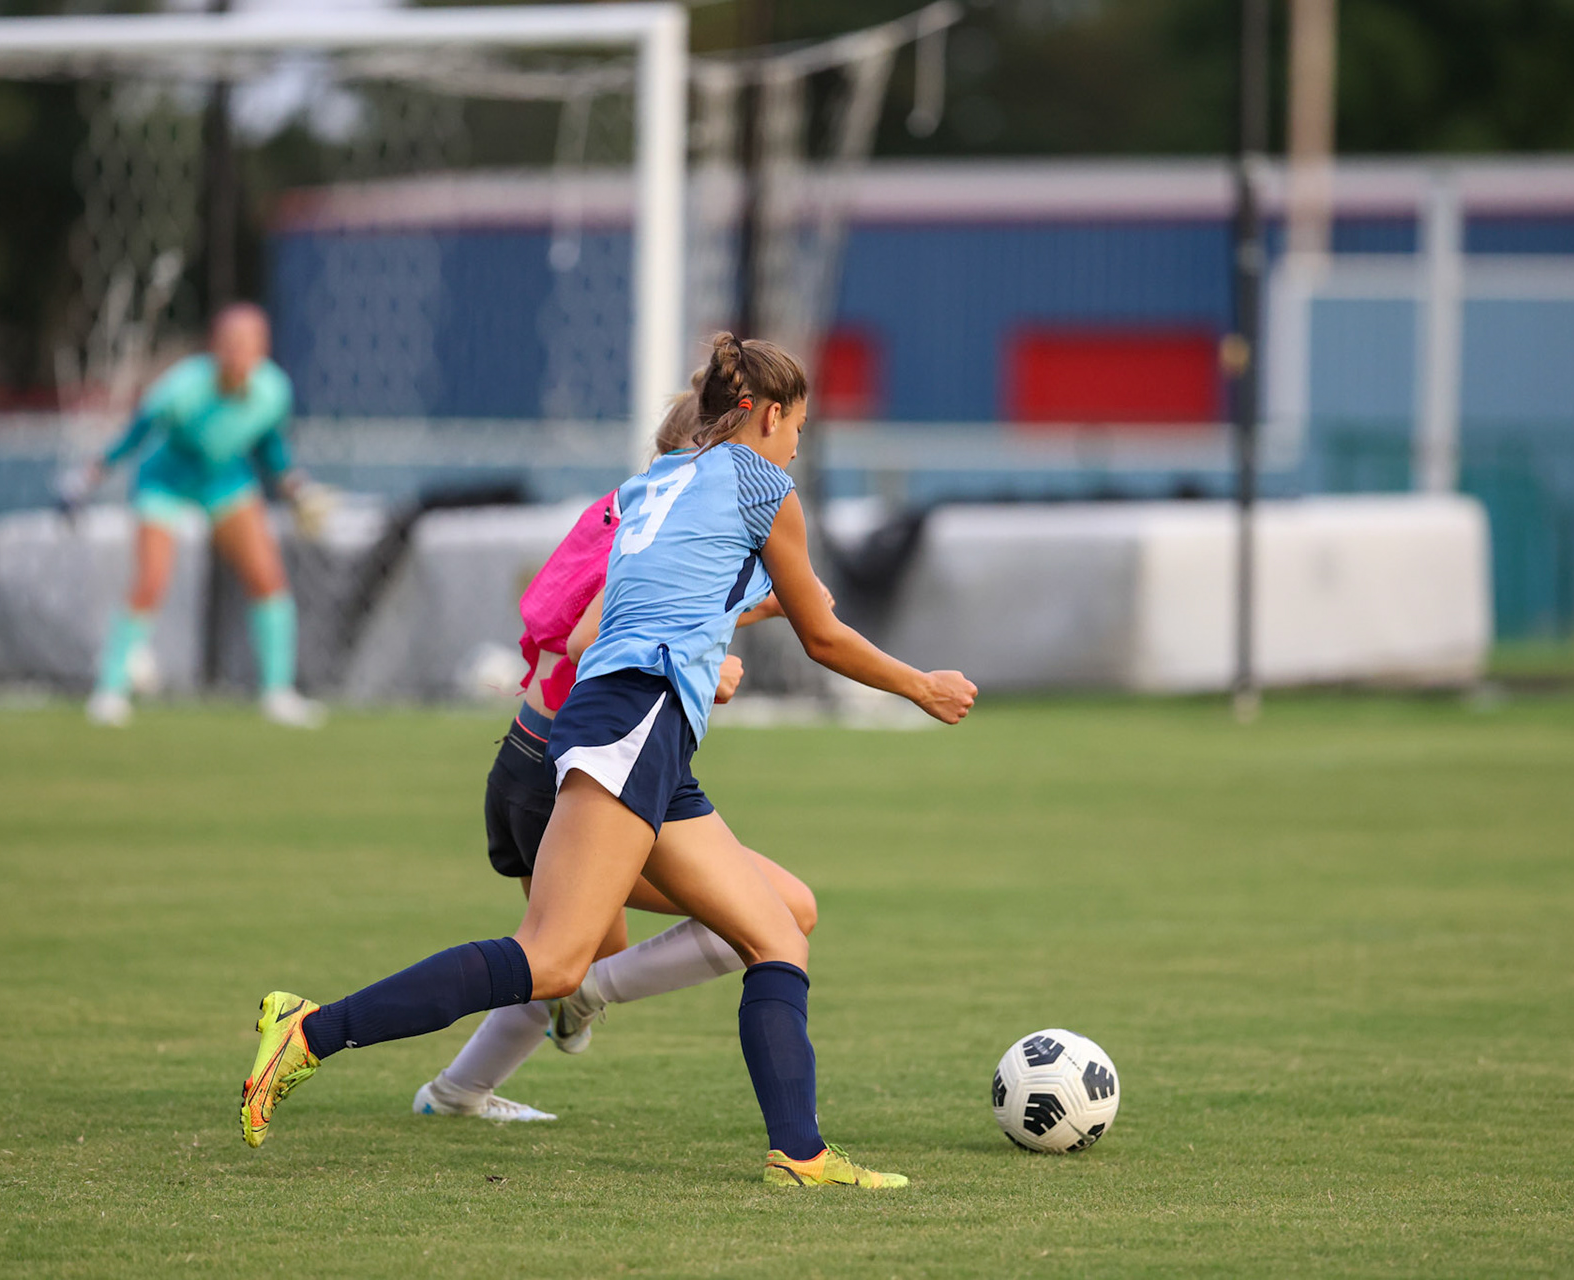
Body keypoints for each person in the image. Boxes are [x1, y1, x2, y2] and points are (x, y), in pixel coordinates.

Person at [240, 333, 977, 1189]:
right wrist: (918, 685)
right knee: (555, 959)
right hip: (636, 718)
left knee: (778, 926)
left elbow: (640, 605)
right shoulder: (766, 486)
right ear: (770, 415)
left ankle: (800, 1155)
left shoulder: (654, 482)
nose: (797, 446)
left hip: (630, 719)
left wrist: (726, 626)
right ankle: (311, 1030)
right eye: (800, 428)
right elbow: (824, 635)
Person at [412, 393, 820, 1125]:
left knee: (574, 947)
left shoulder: (622, 510)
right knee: (765, 916)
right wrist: (706, 660)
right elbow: (585, 637)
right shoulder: (659, 524)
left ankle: (457, 1091)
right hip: (573, 764)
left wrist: (738, 619)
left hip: (527, 756)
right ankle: (340, 1036)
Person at [71, 303, 332, 729]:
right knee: (152, 579)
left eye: (248, 345)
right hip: (166, 481)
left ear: (263, 349)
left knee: (266, 577)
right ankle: (109, 689)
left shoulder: (272, 391)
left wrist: (295, 486)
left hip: (226, 480)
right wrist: (91, 475)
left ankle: (278, 693)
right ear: (215, 346)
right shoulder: (182, 388)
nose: (238, 354)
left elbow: (269, 446)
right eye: (230, 344)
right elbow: (136, 434)